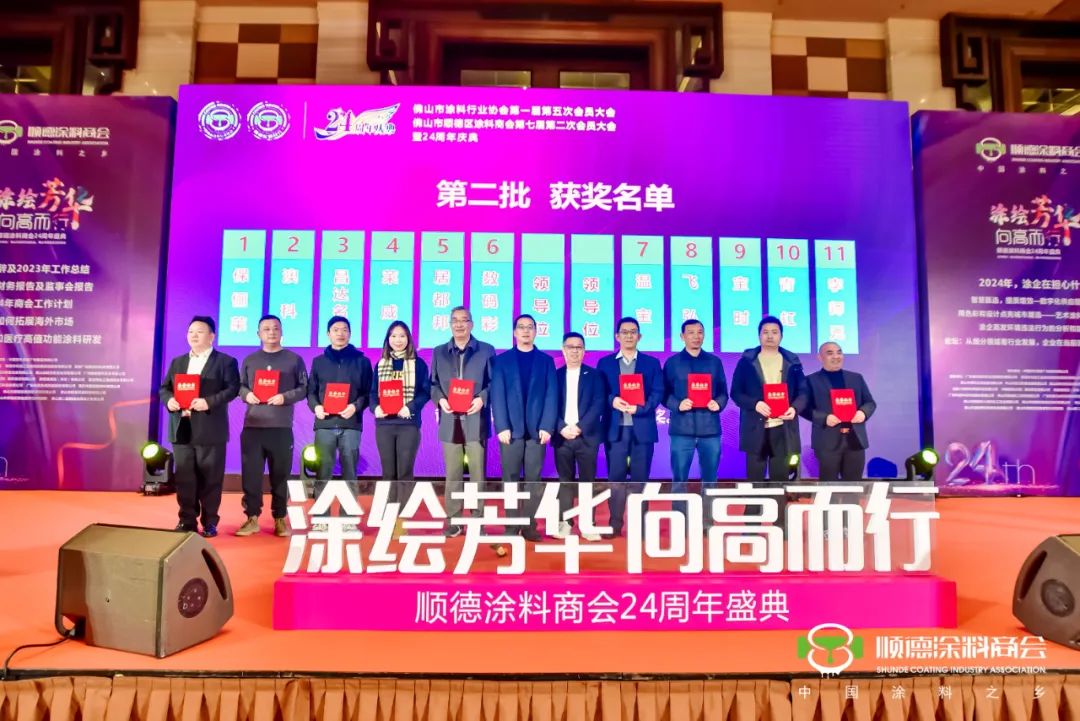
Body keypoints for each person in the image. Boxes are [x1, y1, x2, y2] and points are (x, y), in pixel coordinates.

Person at [158, 315, 239, 538]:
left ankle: (210, 522)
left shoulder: (225, 362)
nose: (194, 335)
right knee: (185, 478)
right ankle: (186, 521)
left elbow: (232, 389)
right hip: (181, 428)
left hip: (210, 430)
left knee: (210, 480)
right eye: (191, 331)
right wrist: (169, 401)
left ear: (212, 336)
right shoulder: (178, 362)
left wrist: (208, 402)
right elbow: (165, 388)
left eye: (200, 331)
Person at [236, 314, 308, 538]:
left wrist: (285, 397)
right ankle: (252, 518)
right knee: (251, 475)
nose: (271, 332)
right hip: (253, 426)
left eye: (276, 328)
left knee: (280, 475)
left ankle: (280, 518)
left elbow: (304, 388)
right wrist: (247, 395)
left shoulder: (294, 359)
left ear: (282, 331)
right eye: (266, 329)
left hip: (280, 427)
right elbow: (240, 386)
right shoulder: (250, 360)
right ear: (258, 333)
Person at [731, 315, 809, 521]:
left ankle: (780, 524)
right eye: (765, 332)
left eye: (774, 332)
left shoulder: (792, 361)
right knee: (754, 479)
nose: (770, 336)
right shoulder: (747, 361)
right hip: (755, 428)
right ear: (759, 335)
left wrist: (794, 408)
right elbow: (736, 393)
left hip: (782, 427)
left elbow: (803, 392)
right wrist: (755, 404)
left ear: (781, 336)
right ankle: (751, 523)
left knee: (780, 478)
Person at [490, 314, 557, 542]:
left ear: (536, 331)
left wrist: (547, 425)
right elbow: (497, 395)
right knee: (510, 479)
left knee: (533, 480)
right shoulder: (502, 361)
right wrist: (501, 426)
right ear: (514, 332)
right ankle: (511, 525)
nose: (526, 331)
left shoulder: (546, 361)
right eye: (521, 327)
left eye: (530, 327)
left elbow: (551, 395)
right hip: (510, 431)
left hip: (537, 431)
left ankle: (529, 525)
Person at [429, 306, 496, 537]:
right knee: (453, 474)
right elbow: (433, 384)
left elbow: (494, 382)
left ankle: (478, 521)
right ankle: (454, 520)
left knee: (478, 474)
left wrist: (482, 399)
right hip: (450, 420)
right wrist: (440, 400)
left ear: (471, 324)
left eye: (464, 320)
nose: (459, 324)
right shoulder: (439, 352)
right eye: (455, 320)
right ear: (450, 324)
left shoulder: (486, 350)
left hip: (476, 419)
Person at [596, 316, 664, 538]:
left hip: (642, 429)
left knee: (640, 480)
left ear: (639, 336)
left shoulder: (651, 363)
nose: (628, 335)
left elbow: (658, 393)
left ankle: (640, 526)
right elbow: (599, 392)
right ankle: (615, 524)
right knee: (615, 480)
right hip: (615, 430)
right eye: (624, 332)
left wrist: (641, 408)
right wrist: (612, 400)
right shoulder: (605, 363)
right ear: (617, 336)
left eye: (633, 332)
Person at [662, 319, 729, 527]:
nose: (696, 336)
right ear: (682, 336)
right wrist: (677, 404)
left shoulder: (714, 362)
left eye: (700, 332)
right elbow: (663, 394)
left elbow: (723, 393)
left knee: (710, 479)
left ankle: (707, 522)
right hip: (681, 429)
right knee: (679, 479)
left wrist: (718, 403)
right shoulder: (672, 363)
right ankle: (679, 521)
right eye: (691, 332)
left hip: (710, 429)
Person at [306, 316, 372, 520]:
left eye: (344, 329)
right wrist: (316, 407)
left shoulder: (362, 361)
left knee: (350, 473)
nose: (340, 333)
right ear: (328, 334)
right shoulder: (318, 362)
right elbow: (311, 392)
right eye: (336, 330)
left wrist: (355, 406)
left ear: (350, 334)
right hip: (324, 424)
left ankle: (348, 518)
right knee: (323, 472)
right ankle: (321, 518)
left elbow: (368, 393)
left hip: (351, 424)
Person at [370, 320, 431, 536]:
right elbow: (372, 393)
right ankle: (388, 519)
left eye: (402, 336)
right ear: (388, 339)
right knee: (388, 472)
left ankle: (402, 520)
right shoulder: (380, 364)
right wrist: (375, 407)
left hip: (408, 425)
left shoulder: (419, 364)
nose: (398, 340)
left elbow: (425, 392)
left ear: (409, 339)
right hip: (385, 425)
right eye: (394, 336)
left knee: (405, 471)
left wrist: (410, 407)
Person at [553, 331, 605, 541]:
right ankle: (565, 522)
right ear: (563, 350)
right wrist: (561, 427)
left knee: (587, 482)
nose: (574, 351)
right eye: (570, 347)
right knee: (565, 481)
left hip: (587, 437)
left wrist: (580, 427)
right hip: (562, 436)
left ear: (584, 351)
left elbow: (598, 404)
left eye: (579, 347)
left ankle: (587, 523)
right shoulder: (555, 375)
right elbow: (549, 405)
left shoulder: (595, 375)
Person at [803, 341, 876, 483]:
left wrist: (863, 413)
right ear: (820, 357)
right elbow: (803, 408)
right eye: (830, 353)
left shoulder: (856, 378)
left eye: (839, 352)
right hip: (827, 440)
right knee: (829, 485)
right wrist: (824, 418)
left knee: (854, 485)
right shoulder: (811, 380)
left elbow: (870, 403)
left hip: (855, 439)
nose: (836, 356)